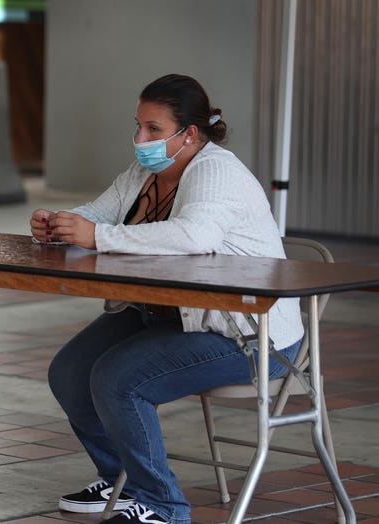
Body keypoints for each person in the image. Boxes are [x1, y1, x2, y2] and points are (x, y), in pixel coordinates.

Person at [31, 74, 303, 524]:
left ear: (189, 134)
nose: (140, 139)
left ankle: (162, 505)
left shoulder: (217, 171)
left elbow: (196, 235)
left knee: (118, 378)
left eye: (153, 130)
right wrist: (60, 222)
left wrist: (96, 235)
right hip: (173, 315)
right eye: (138, 126)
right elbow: (98, 213)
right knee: (70, 371)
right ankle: (118, 478)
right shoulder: (145, 172)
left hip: (249, 332)